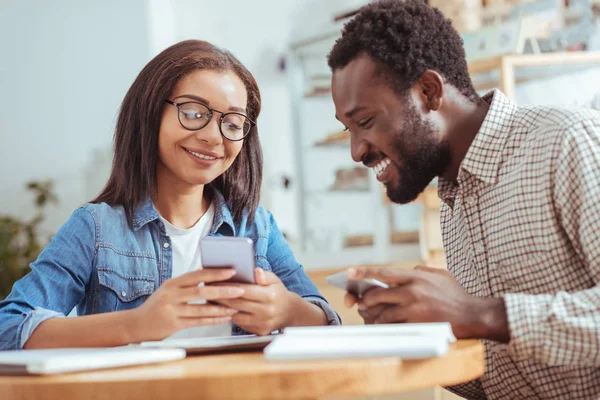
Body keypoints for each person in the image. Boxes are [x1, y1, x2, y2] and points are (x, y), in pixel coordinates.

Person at [327, 0, 600, 399]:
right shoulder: (454, 197)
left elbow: (487, 321)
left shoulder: (567, 142)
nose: (356, 151)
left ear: (429, 91)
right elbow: (499, 381)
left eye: (365, 122)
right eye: (348, 129)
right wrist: (420, 332)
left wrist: (479, 314)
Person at [0, 40, 339, 351]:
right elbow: (9, 327)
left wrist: (286, 310)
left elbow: (328, 325)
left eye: (233, 123)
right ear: (150, 114)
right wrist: (136, 324)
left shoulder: (257, 227)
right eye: (193, 113)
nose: (212, 136)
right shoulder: (97, 228)